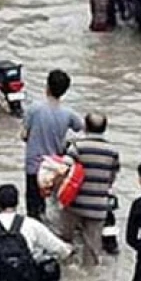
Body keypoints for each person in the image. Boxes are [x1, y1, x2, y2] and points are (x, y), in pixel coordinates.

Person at [58, 113, 119, 266]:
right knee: (92, 250)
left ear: (85, 126)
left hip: (74, 204)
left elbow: (63, 168)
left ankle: (66, 274)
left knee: (65, 243)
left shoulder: (77, 147)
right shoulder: (112, 151)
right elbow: (111, 178)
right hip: (98, 207)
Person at [21, 70, 83, 219]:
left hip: (34, 166)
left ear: (47, 86)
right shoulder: (68, 114)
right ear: (65, 91)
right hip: (55, 168)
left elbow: (24, 135)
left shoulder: (34, 108)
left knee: (33, 207)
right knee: (54, 205)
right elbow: (80, 128)